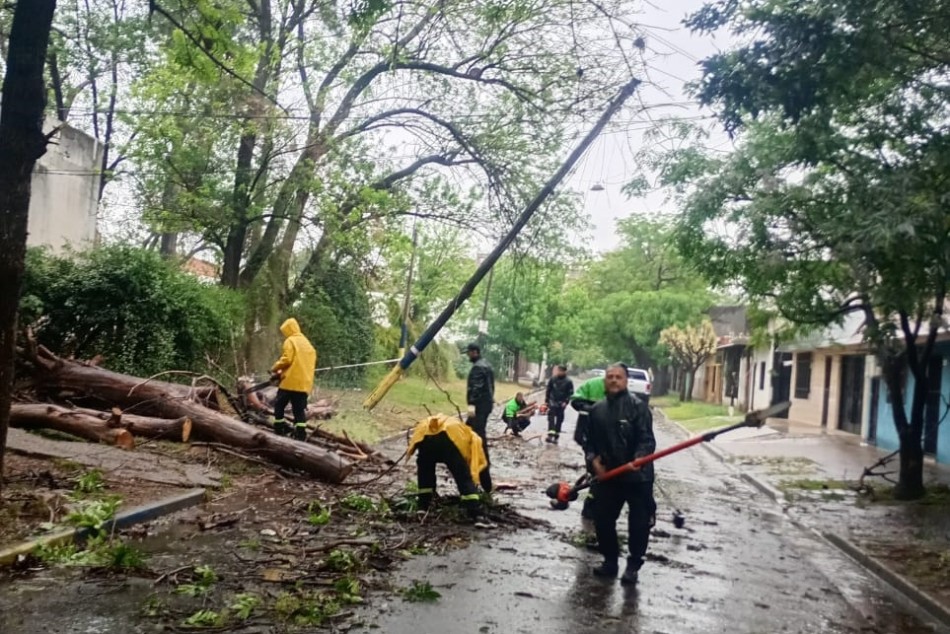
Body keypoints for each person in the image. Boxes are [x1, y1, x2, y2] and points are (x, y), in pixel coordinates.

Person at [586, 364, 656, 585]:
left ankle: (633, 566)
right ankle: (610, 562)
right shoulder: (596, 410)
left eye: (618, 377)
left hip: (638, 477)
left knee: (639, 523)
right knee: (602, 519)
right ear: (604, 381)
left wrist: (639, 457)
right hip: (610, 476)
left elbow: (647, 440)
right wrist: (593, 461)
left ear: (626, 381)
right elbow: (589, 443)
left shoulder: (639, 408)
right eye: (610, 377)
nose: (614, 380)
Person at [407, 415, 488, 519]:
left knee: (425, 474)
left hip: (425, 437)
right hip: (448, 439)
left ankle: (423, 508)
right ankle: (476, 514)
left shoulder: (460, 430)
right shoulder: (471, 439)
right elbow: (472, 465)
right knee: (463, 477)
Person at [570, 372, 609, 520]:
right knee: (594, 471)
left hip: (608, 441)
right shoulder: (592, 384)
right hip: (588, 436)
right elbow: (575, 400)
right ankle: (590, 509)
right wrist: (591, 408)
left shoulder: (622, 396)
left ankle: (598, 507)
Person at [270, 318, 317, 441]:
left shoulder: (290, 341)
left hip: (290, 382)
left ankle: (279, 428)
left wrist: (275, 368)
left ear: (288, 330)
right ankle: (301, 434)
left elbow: (287, 359)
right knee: (299, 410)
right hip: (304, 384)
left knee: (279, 405)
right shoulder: (308, 344)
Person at [465, 343, 494, 492]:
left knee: (476, 438)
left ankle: (482, 477)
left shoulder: (478, 368)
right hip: (486, 407)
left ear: (474, 352)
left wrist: (471, 406)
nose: (468, 356)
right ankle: (478, 474)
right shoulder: (487, 365)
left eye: (469, 353)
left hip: (478, 409)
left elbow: (475, 389)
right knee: (471, 434)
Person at [545, 365, 574, 444]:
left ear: (565, 372)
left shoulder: (568, 381)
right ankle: (550, 435)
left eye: (561, 371)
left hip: (562, 402)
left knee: (559, 419)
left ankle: (556, 435)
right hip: (552, 400)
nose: (559, 372)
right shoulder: (553, 379)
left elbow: (570, 393)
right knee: (551, 418)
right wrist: (547, 401)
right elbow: (548, 389)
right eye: (558, 370)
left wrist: (566, 401)